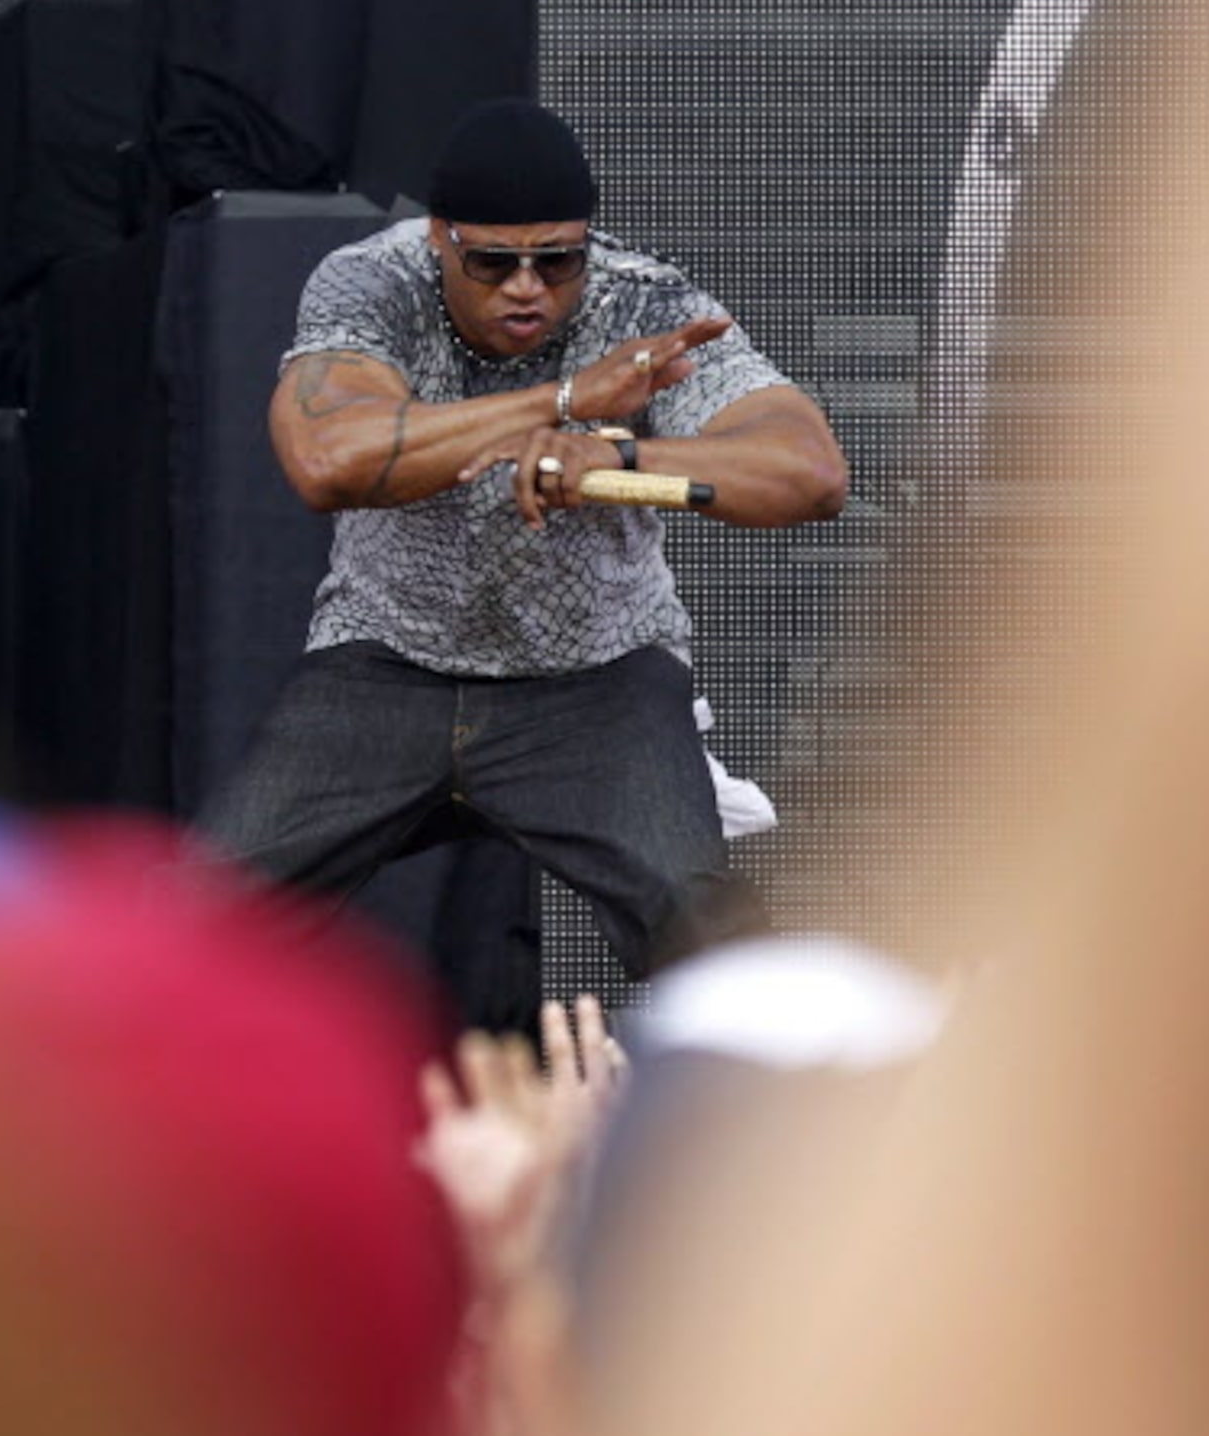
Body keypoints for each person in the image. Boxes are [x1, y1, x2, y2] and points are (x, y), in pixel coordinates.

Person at [198, 97, 848, 977]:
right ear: (440, 239)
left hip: (596, 682)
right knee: (193, 924)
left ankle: (754, 1111)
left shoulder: (641, 301)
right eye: (494, 262)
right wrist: (565, 400)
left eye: (557, 261)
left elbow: (811, 473)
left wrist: (613, 450)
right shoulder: (373, 283)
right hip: (390, 665)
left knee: (713, 940)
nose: (527, 289)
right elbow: (324, 458)